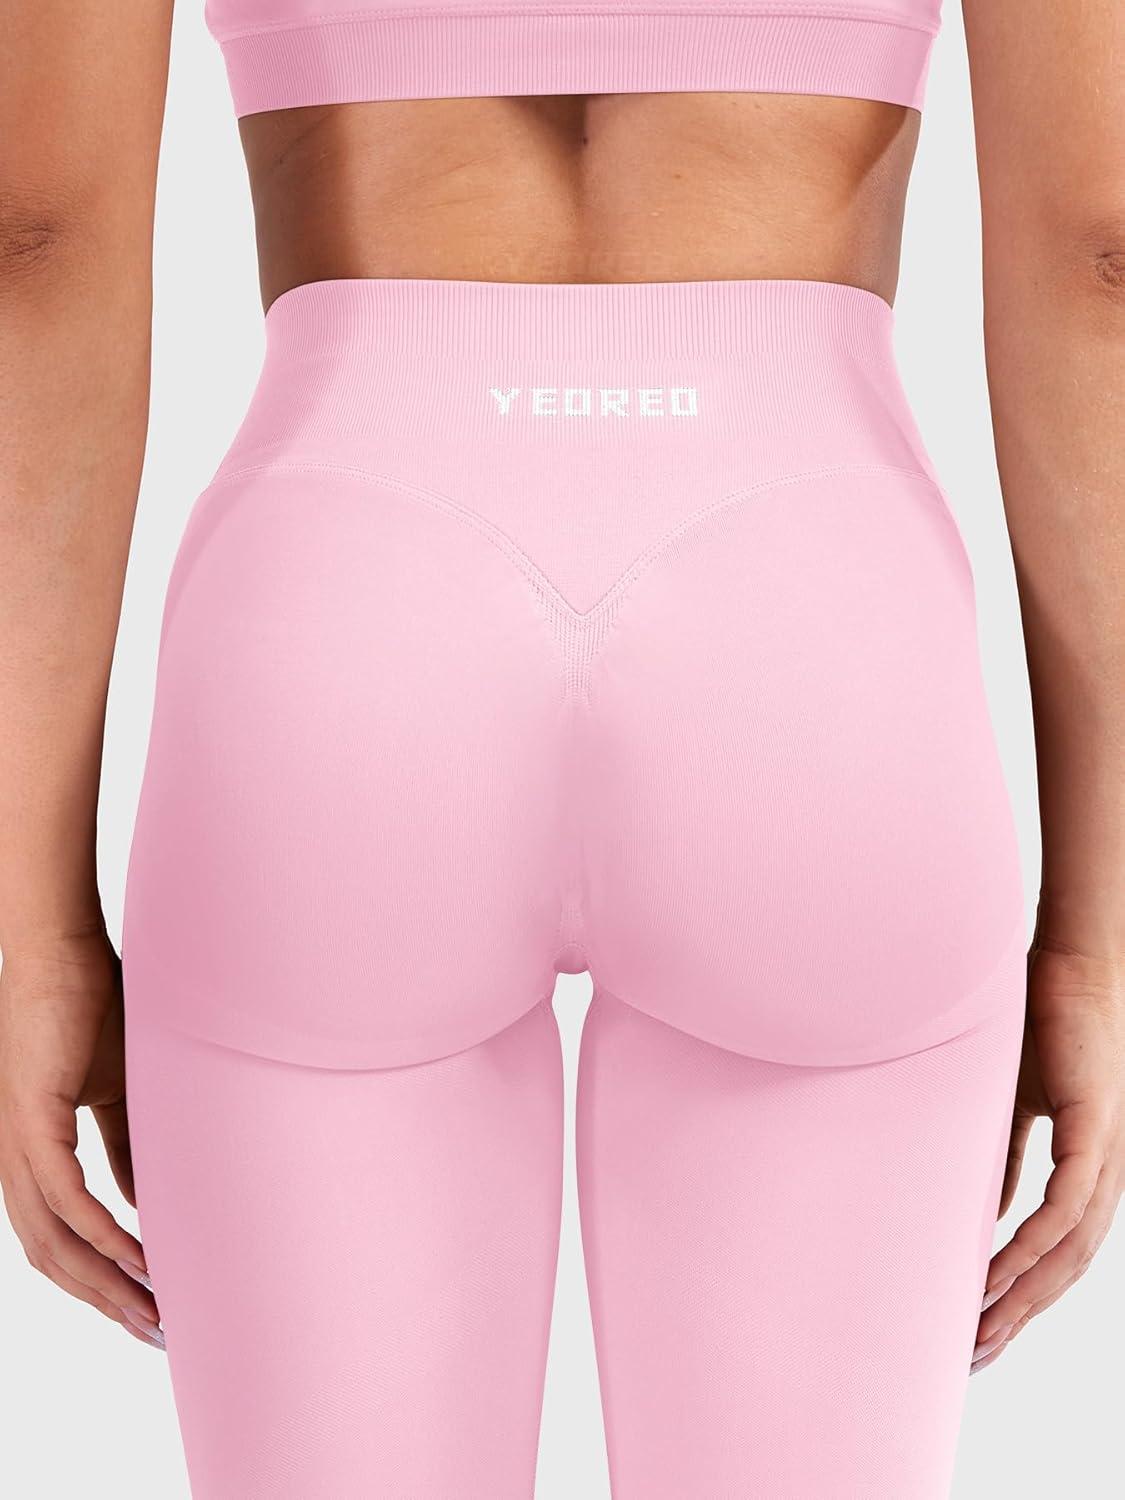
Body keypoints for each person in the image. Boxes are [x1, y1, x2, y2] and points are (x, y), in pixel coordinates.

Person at [1, 1, 1121, 1495]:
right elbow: (1100, 257)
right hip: (814, 622)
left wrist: (32, 926)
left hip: (346, 607)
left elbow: (37, 237)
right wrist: (1095, 934)